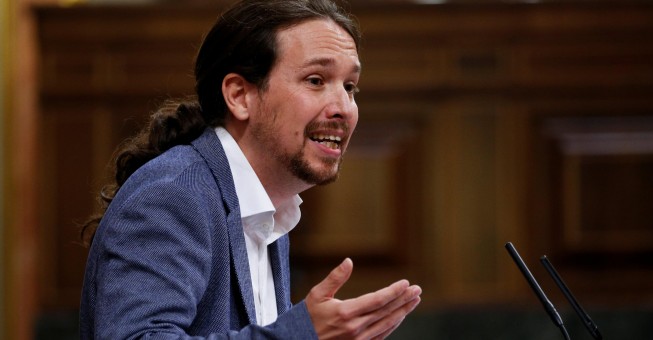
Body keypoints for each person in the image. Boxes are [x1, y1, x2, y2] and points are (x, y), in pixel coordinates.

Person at [79, 0, 422, 338]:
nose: (344, 108)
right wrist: (299, 335)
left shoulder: (269, 210)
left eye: (349, 87)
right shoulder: (173, 196)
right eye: (316, 80)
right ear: (240, 95)